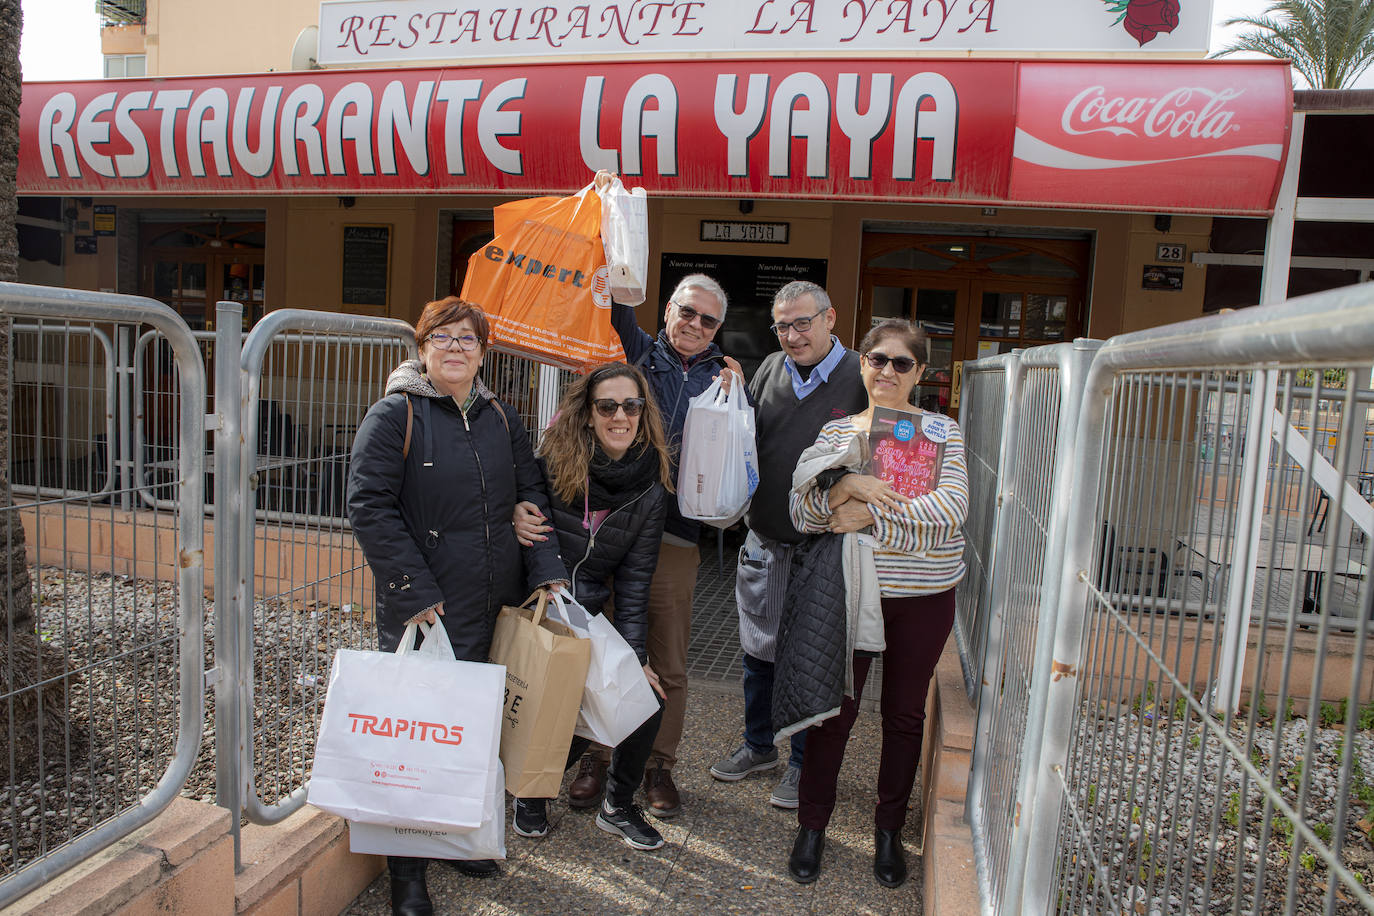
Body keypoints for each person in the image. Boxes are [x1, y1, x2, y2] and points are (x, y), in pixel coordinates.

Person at [347, 297, 569, 916]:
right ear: (421, 348)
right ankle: (406, 875)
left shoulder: (499, 416)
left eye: (467, 340)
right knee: (414, 740)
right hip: (427, 608)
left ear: (483, 352)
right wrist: (413, 593)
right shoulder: (396, 415)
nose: (454, 348)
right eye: (441, 338)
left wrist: (545, 570)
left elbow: (530, 491)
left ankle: (449, 839)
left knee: (469, 733)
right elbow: (369, 506)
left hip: (492, 599)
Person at [517, 274, 742, 817]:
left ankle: (656, 765)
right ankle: (598, 755)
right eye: (687, 312)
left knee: (664, 656)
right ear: (668, 310)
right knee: (600, 649)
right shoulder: (637, 351)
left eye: (709, 320)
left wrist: (741, 389)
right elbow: (616, 300)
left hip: (672, 533)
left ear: (719, 330)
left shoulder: (727, 378)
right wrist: (610, 209)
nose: (695, 325)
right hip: (605, 529)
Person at [784, 319, 968, 889]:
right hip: (852, 591)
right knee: (833, 712)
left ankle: (886, 831)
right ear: (862, 364)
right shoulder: (836, 432)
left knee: (904, 715)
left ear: (921, 372)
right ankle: (812, 826)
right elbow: (803, 513)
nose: (886, 371)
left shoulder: (941, 433)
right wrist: (843, 490)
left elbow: (952, 511)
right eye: (876, 359)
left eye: (901, 362)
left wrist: (869, 511)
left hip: (923, 597)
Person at [707, 280, 867, 809]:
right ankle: (759, 746)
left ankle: (802, 763)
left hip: (823, 548)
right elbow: (748, 440)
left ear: (830, 318)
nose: (793, 335)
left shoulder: (861, 376)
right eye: (782, 325)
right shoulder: (771, 369)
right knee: (758, 651)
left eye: (803, 322)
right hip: (766, 537)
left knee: (808, 657)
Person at [509, 362, 675, 850]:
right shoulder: (552, 463)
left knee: (646, 699)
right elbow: (527, 524)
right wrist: (519, 520)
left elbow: (636, 578)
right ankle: (531, 792)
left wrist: (636, 656)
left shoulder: (650, 486)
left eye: (631, 405)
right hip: (538, 603)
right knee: (553, 697)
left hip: (589, 610)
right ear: (587, 414)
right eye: (607, 406)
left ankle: (617, 805)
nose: (619, 416)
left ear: (643, 414)